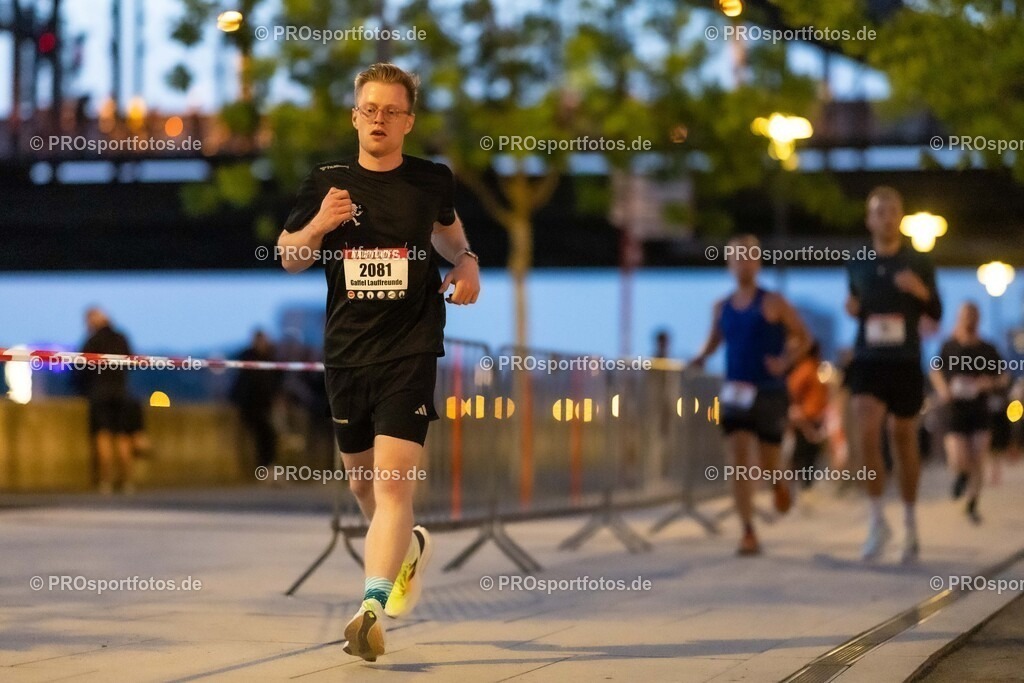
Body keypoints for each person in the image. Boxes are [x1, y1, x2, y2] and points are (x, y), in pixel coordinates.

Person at [277, 63, 480, 662]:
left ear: (409, 122)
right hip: (346, 351)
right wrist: (320, 223)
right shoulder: (326, 181)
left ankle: (369, 611)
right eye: (370, 110)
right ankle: (409, 546)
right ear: (355, 116)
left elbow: (447, 231)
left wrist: (466, 262)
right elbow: (289, 257)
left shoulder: (430, 180)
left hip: (410, 346)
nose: (379, 120)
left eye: (392, 111)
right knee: (364, 482)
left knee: (393, 481)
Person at [692, 234, 811, 556]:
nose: (743, 262)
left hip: (769, 393)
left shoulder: (773, 302)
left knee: (769, 461)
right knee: (739, 458)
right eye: (737, 256)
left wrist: (785, 361)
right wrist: (701, 356)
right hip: (734, 393)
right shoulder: (721, 307)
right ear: (729, 263)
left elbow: (803, 337)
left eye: (749, 256)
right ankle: (748, 531)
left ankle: (778, 484)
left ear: (758, 262)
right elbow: (715, 340)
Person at [845, 186, 942, 563]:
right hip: (868, 358)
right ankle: (876, 519)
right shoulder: (856, 263)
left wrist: (919, 291)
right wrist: (852, 308)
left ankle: (910, 521)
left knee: (902, 436)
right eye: (879, 212)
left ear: (901, 217)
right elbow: (856, 302)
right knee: (866, 429)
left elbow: (936, 312)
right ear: (870, 220)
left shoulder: (919, 262)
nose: (886, 217)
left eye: (892, 211)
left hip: (904, 359)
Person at [930, 302, 1003, 524]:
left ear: (978, 319)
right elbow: (935, 370)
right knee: (959, 457)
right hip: (955, 410)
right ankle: (961, 475)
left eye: (973, 315)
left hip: (979, 409)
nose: (968, 320)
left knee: (979, 456)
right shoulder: (949, 346)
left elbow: (1002, 376)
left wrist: (986, 384)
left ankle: (972, 503)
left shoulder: (987, 348)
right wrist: (943, 390)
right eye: (965, 315)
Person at [76, 308, 136, 495]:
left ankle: (105, 481)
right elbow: (132, 361)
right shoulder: (121, 337)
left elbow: (81, 368)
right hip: (121, 391)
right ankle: (126, 482)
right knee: (122, 436)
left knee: (102, 436)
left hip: (99, 393)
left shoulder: (92, 340)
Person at [230, 330, 282, 472]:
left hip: (265, 406)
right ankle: (266, 468)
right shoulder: (249, 359)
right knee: (264, 435)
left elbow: (276, 382)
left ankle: (268, 468)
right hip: (251, 406)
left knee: (269, 436)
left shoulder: (270, 358)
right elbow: (247, 387)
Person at [787, 340, 829, 499]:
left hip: (806, 418)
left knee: (800, 456)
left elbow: (791, 391)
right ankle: (803, 489)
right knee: (808, 456)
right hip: (812, 417)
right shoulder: (817, 369)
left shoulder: (804, 370)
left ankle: (799, 491)